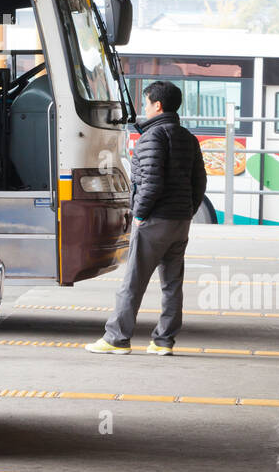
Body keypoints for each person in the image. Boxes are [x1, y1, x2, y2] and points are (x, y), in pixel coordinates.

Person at [85, 80, 207, 357]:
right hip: (179, 221)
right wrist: (188, 210)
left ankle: (117, 338)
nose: (144, 107)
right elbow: (200, 180)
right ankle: (163, 341)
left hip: (155, 220)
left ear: (157, 105)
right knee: (172, 283)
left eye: (146, 103)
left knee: (133, 282)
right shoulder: (187, 137)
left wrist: (139, 214)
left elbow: (151, 183)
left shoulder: (152, 138)